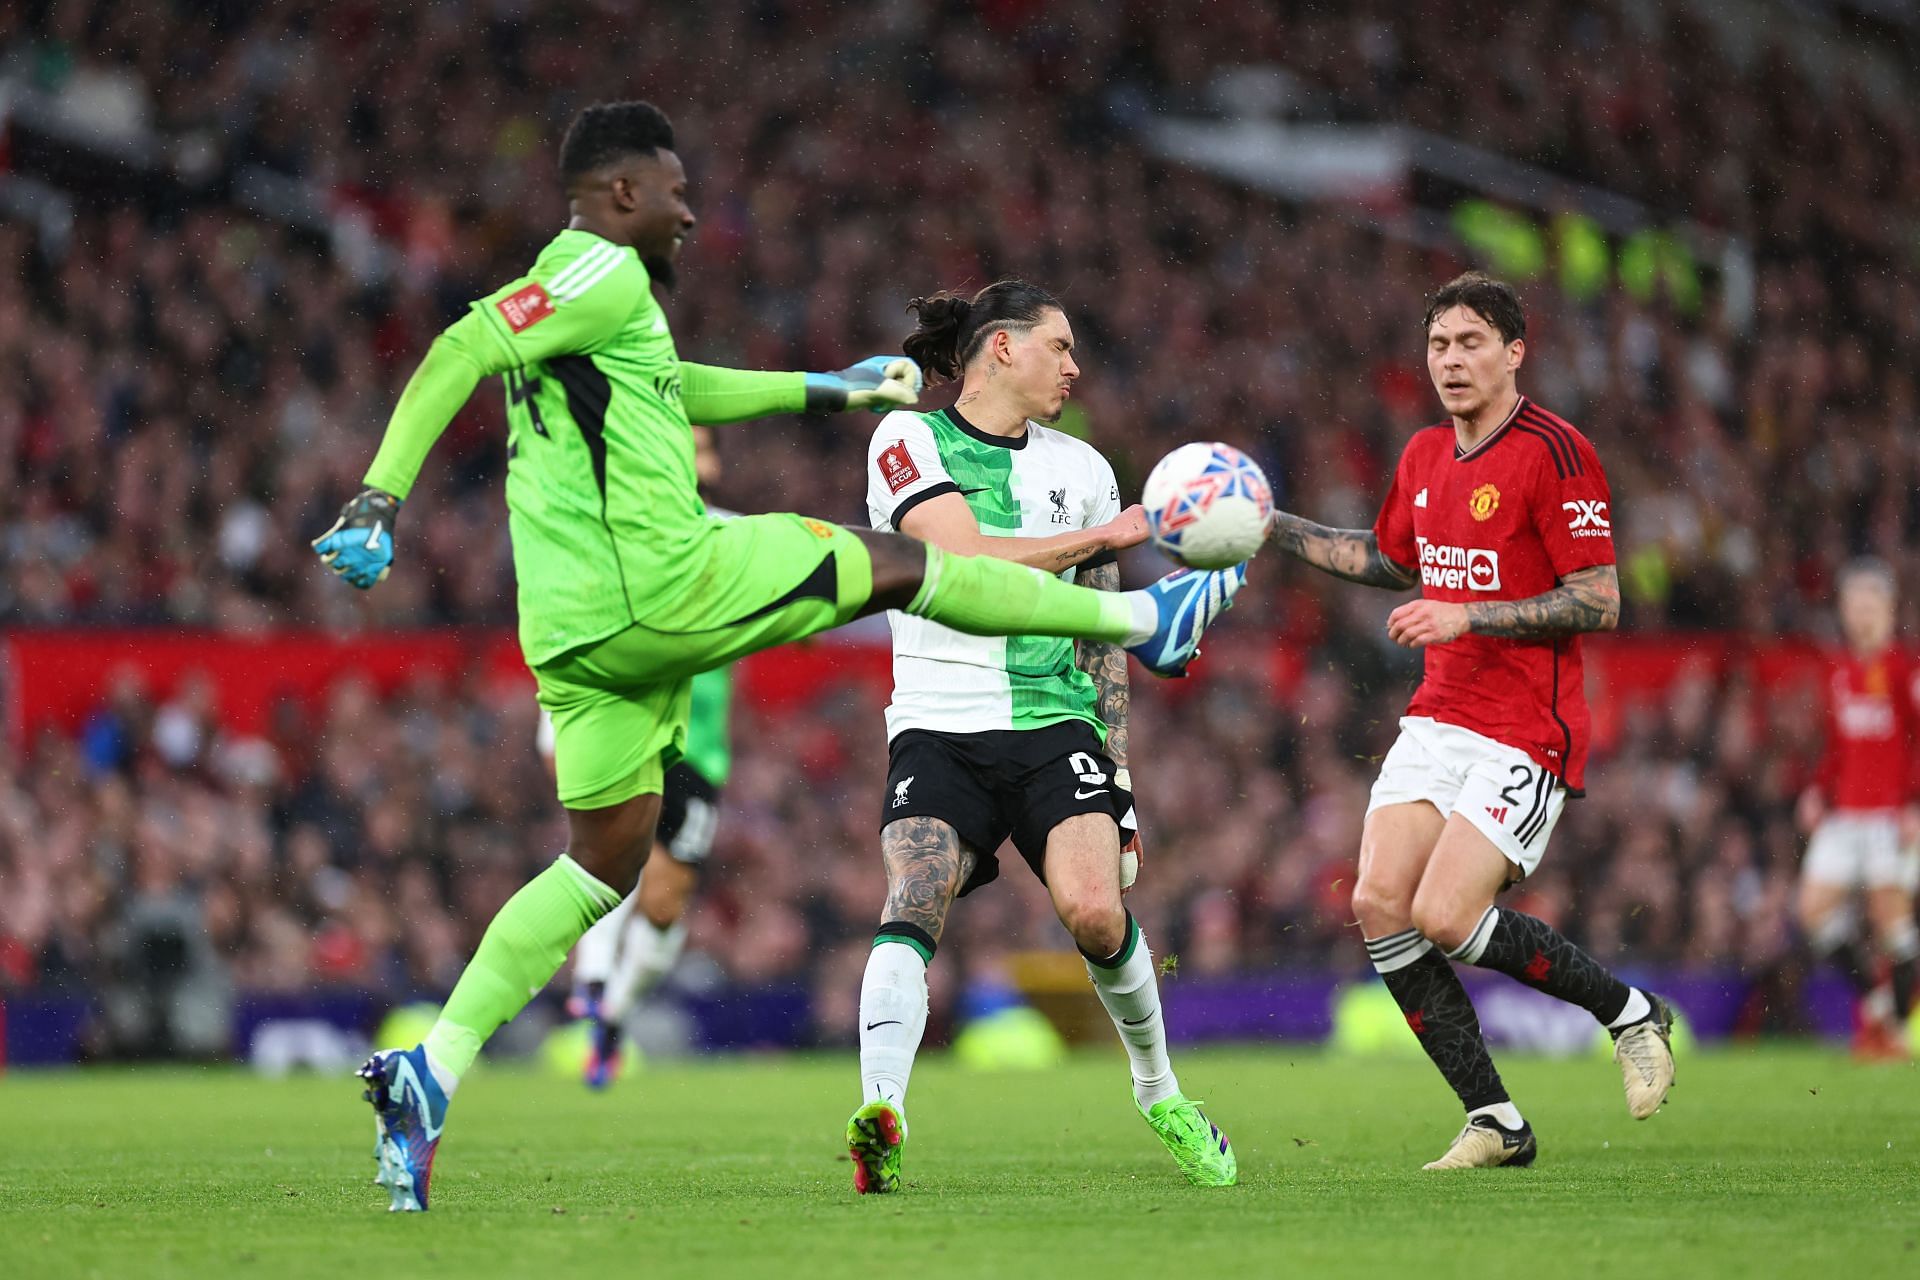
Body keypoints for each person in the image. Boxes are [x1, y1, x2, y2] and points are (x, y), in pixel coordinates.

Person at [310, 100, 1244, 1212]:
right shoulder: (599, 270)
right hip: (662, 577)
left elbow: (675, 386)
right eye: (671, 188)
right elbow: (462, 340)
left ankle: (434, 1066)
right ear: (618, 194)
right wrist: (379, 495)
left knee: (602, 859)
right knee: (902, 561)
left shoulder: (601, 306)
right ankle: (1153, 620)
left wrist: (829, 388)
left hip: (569, 632)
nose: (689, 209)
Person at [1264, 271, 1674, 1170]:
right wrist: (1271, 526)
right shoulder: (1421, 457)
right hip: (1439, 716)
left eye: (1471, 342)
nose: (1451, 360)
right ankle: (1495, 1119)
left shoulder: (1557, 453)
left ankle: (1630, 1012)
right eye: (1439, 344)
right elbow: (1383, 559)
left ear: (1514, 352)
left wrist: (1467, 615)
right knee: (1377, 903)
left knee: (1447, 914)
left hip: (1527, 726)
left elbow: (1598, 601)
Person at [845, 280, 1236, 1195]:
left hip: (1053, 721)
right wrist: (1108, 538)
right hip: (937, 723)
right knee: (916, 889)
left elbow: (1103, 635)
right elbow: (963, 562)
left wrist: (1123, 774)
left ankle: (1160, 1092)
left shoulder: (1086, 469)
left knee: (1096, 912)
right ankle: (883, 1115)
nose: (1073, 365)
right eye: (1058, 346)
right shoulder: (907, 439)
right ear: (1001, 350)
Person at [564, 425, 735, 1088]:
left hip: (702, 749)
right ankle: (594, 977)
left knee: (665, 901)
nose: (703, 461)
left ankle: (611, 1013)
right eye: (691, 449)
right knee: (614, 854)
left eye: (708, 449)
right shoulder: (617, 534)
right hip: (634, 723)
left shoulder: (730, 533)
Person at [1796, 558, 1920, 1060]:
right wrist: (1816, 792)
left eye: (1872, 604)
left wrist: (1914, 803)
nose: (1863, 614)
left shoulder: (1906, 670)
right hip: (1845, 814)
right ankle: (1877, 1010)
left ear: (1889, 610)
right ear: (1845, 610)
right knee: (1812, 912)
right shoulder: (1840, 671)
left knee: (1890, 922)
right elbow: (1838, 746)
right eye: (1855, 604)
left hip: (1892, 815)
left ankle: (1888, 1027)